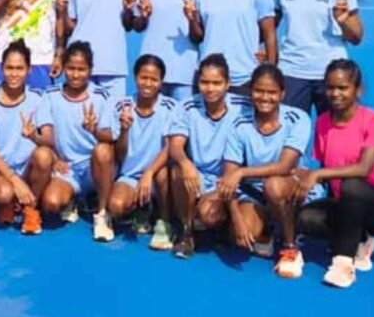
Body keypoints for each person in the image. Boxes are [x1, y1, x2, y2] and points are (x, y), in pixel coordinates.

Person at [295, 60, 374, 288]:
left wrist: (318, 175)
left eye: (343, 88)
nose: (335, 94)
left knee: (352, 186)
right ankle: (358, 238)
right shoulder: (323, 122)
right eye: (330, 87)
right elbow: (329, 170)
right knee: (303, 219)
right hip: (345, 203)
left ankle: (343, 264)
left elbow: (363, 169)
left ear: (358, 90)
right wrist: (300, 175)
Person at [219, 64, 315, 278]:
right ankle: (269, 229)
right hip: (255, 193)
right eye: (259, 91)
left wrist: (242, 173)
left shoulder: (299, 119)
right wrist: (236, 218)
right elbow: (228, 177)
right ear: (250, 91)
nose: (264, 97)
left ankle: (290, 247)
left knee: (273, 184)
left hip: (289, 185)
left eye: (271, 92)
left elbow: (285, 166)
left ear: (282, 93)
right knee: (240, 234)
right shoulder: (239, 125)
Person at [168, 54, 252, 259]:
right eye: (205, 82)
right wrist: (185, 162)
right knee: (177, 171)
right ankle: (186, 232)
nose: (210, 88)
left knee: (208, 215)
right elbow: (176, 145)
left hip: (231, 178)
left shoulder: (244, 107)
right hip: (200, 175)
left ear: (228, 84)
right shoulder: (187, 106)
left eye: (217, 83)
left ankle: (220, 222)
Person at [273, 0, 363, 115]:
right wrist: (261, 49)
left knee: (335, 135)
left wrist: (343, 20)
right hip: (292, 72)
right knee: (290, 133)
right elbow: (268, 26)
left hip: (330, 75)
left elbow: (356, 37)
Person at [38, 42, 118, 242]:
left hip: (95, 167)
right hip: (67, 171)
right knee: (51, 203)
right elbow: (47, 135)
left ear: (90, 70)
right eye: (71, 69)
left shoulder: (102, 96)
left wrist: (94, 130)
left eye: (81, 69)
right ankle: (74, 199)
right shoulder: (50, 95)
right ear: (63, 68)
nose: (75, 74)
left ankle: (102, 213)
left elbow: (111, 137)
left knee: (102, 150)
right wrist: (55, 158)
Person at [0, 40, 56, 235]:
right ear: (1, 69)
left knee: (44, 155)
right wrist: (14, 180)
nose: (14, 74)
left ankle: (31, 209)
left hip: (29, 169)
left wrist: (34, 138)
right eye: (9, 68)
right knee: (4, 194)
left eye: (19, 68)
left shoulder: (39, 98)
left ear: (29, 70)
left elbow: (49, 140)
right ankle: (8, 202)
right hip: (0, 169)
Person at [108, 55, 177, 250]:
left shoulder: (171, 108)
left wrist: (149, 173)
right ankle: (141, 208)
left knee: (163, 173)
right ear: (135, 77)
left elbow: (169, 147)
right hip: (129, 176)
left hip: (156, 174)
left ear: (161, 82)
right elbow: (120, 154)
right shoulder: (122, 107)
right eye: (143, 78)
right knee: (116, 206)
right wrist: (124, 130)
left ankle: (164, 222)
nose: (148, 83)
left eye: (154, 79)